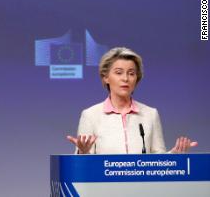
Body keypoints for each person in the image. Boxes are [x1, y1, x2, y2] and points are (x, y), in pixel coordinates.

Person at [66, 47, 197, 154]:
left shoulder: (151, 114)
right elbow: (82, 168)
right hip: (105, 185)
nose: (125, 78)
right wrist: (82, 153)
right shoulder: (90, 115)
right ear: (106, 77)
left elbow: (158, 160)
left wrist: (174, 155)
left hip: (143, 185)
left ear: (137, 79)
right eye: (119, 72)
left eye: (131, 73)